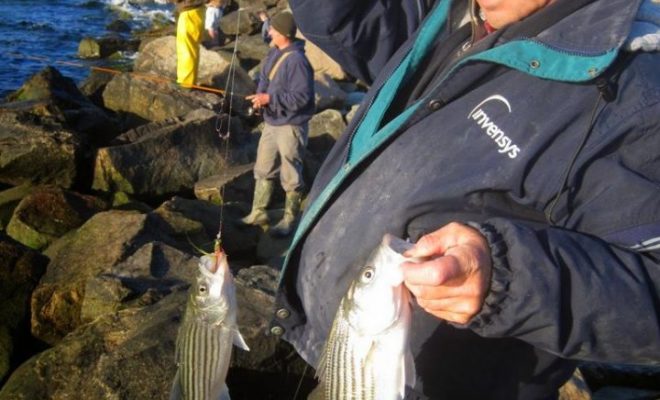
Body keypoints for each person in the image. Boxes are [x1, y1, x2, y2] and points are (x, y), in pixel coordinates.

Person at [270, 0, 660, 398]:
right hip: (335, 349)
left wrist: (506, 278)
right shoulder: (453, 14)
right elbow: (350, 24)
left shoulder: (637, 95)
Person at [241, 12, 315, 237]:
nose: (269, 32)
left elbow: (303, 98)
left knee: (291, 172)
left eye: (272, 29)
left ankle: (290, 220)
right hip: (272, 121)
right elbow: (265, 81)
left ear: (283, 34)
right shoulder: (275, 52)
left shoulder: (298, 62)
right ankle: (258, 212)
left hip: (291, 125)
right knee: (263, 166)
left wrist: (270, 99)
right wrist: (259, 98)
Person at [172, 0, 205, 88]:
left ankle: (186, 83)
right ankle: (189, 81)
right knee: (193, 48)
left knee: (186, 49)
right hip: (199, 10)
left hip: (189, 13)